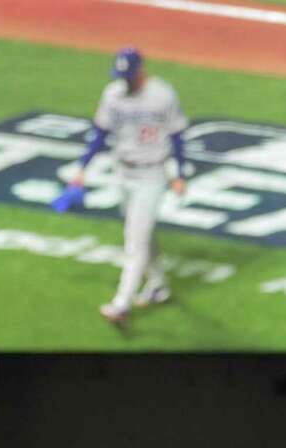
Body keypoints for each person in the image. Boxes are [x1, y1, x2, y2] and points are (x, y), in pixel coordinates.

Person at [66, 46, 189, 326]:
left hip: (152, 176)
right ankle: (158, 285)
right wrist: (81, 169)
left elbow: (178, 135)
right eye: (122, 75)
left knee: (134, 241)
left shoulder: (162, 95)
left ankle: (121, 305)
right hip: (123, 173)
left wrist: (180, 174)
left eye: (130, 75)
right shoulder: (113, 95)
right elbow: (99, 134)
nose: (126, 80)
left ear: (141, 70)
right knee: (144, 236)